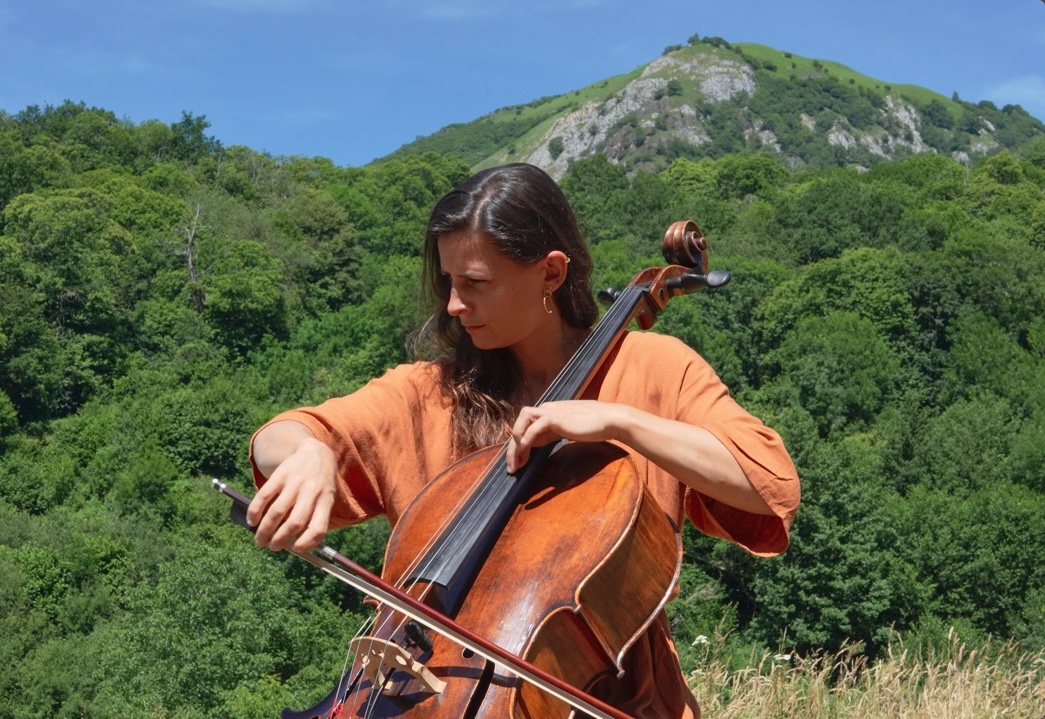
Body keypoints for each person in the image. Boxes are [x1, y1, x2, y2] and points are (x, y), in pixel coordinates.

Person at [246, 162, 800, 718]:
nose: (454, 304)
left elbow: (768, 483)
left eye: (476, 283)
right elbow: (281, 436)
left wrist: (620, 422)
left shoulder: (653, 368)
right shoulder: (431, 392)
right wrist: (310, 451)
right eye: (449, 282)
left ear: (551, 273)